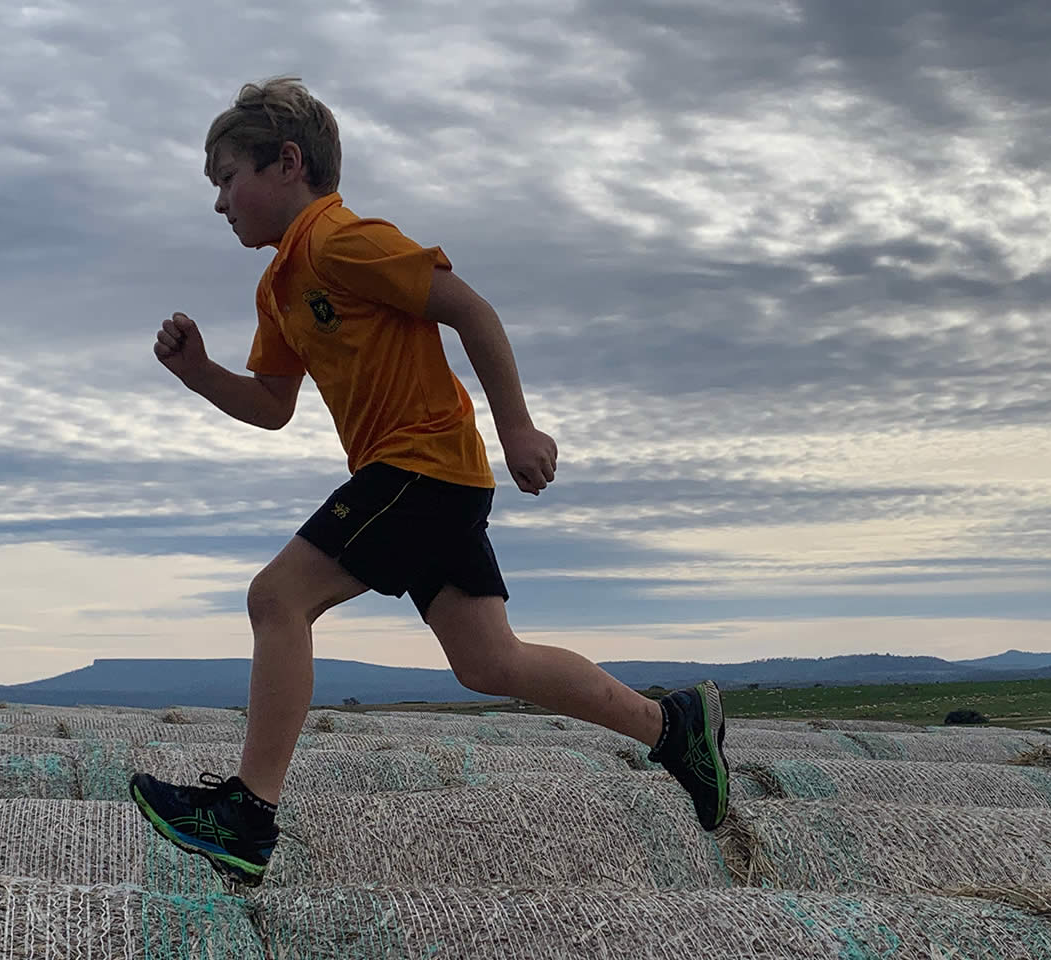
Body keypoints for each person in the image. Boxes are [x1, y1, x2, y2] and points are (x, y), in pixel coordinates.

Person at [128, 76, 728, 887]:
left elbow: (470, 309)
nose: (219, 202)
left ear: (288, 164)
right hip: (421, 476)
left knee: (277, 598)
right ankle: (671, 726)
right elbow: (273, 406)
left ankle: (248, 810)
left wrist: (516, 426)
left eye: (227, 178)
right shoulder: (279, 286)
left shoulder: (344, 240)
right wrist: (199, 373)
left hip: (423, 465)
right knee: (489, 663)